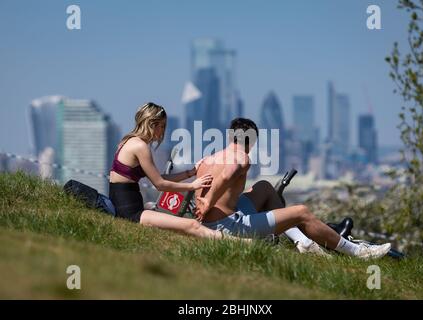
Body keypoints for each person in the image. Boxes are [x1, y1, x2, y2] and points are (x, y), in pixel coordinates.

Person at [194, 118, 392, 259]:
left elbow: (198, 182)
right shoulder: (242, 156)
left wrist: (203, 204)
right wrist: (209, 201)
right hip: (230, 227)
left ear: (230, 137)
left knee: (263, 187)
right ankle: (358, 252)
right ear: (252, 141)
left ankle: (303, 243)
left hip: (208, 223)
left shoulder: (208, 159)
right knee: (301, 212)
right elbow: (229, 174)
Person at [109, 101, 232, 240]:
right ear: (151, 124)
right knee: (192, 225)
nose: (162, 131)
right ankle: (239, 242)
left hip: (124, 206)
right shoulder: (140, 146)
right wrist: (193, 185)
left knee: (185, 224)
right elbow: (160, 184)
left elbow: (160, 178)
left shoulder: (127, 141)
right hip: (130, 212)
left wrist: (190, 173)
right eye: (161, 126)